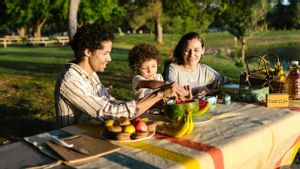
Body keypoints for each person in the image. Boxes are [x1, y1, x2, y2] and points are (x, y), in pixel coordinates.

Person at [54, 23, 190, 128]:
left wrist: (152, 104)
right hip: (71, 142)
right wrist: (158, 94)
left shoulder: (90, 74)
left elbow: (109, 101)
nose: (109, 59)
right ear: (88, 52)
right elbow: (108, 113)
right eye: (105, 53)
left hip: (90, 132)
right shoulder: (70, 81)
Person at [164, 32, 231, 97]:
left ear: (203, 50)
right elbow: (170, 89)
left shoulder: (205, 70)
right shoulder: (173, 68)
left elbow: (228, 85)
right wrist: (195, 92)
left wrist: (211, 91)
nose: (192, 54)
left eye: (196, 50)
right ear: (181, 50)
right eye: (187, 50)